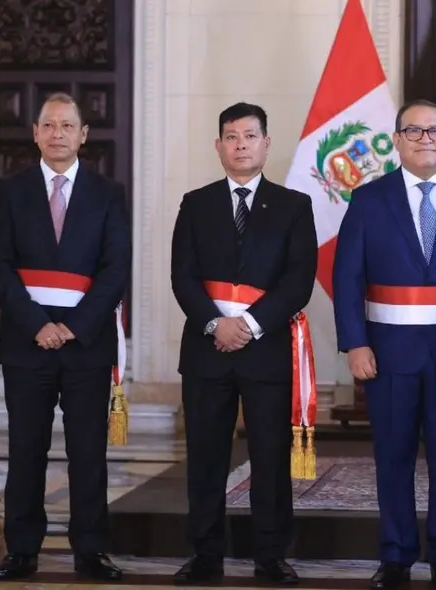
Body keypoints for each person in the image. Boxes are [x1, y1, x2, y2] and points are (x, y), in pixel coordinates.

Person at [333, 99, 436, 590]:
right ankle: (395, 556)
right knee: (393, 456)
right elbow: (347, 278)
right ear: (397, 140)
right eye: (415, 131)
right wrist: (355, 344)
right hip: (386, 352)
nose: (426, 139)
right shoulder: (369, 199)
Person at [169, 102, 317, 585]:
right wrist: (217, 325)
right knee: (206, 458)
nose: (240, 145)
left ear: (266, 143)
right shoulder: (196, 203)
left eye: (249, 136)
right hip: (206, 350)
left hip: (265, 350)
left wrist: (250, 326)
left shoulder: (295, 206)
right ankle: (205, 554)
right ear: (218, 146)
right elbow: (182, 277)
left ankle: (270, 556)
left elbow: (299, 281)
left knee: (270, 458)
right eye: (231, 137)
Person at [0, 92, 131, 581]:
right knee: (26, 449)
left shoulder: (109, 193)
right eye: (49, 125)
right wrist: (38, 325)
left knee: (88, 451)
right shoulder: (9, 191)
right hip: (29, 344)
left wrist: (73, 326)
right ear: (35, 132)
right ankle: (22, 549)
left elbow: (115, 269)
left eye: (68, 126)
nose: (58, 134)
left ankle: (91, 550)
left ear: (83, 135)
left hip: (86, 345)